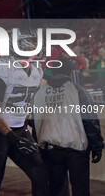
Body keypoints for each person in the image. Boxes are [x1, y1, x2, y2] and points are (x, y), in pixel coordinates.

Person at [0, 27, 49, 196]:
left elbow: (26, 102)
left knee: (40, 172)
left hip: (18, 129)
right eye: (29, 41)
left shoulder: (37, 70)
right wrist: (13, 138)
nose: (34, 45)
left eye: (34, 41)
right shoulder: (3, 68)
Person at [33, 57, 104, 196]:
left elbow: (36, 123)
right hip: (76, 150)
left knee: (57, 189)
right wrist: (97, 146)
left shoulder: (40, 93)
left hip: (51, 150)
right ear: (70, 71)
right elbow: (90, 121)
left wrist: (40, 147)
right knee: (80, 190)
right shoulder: (77, 90)